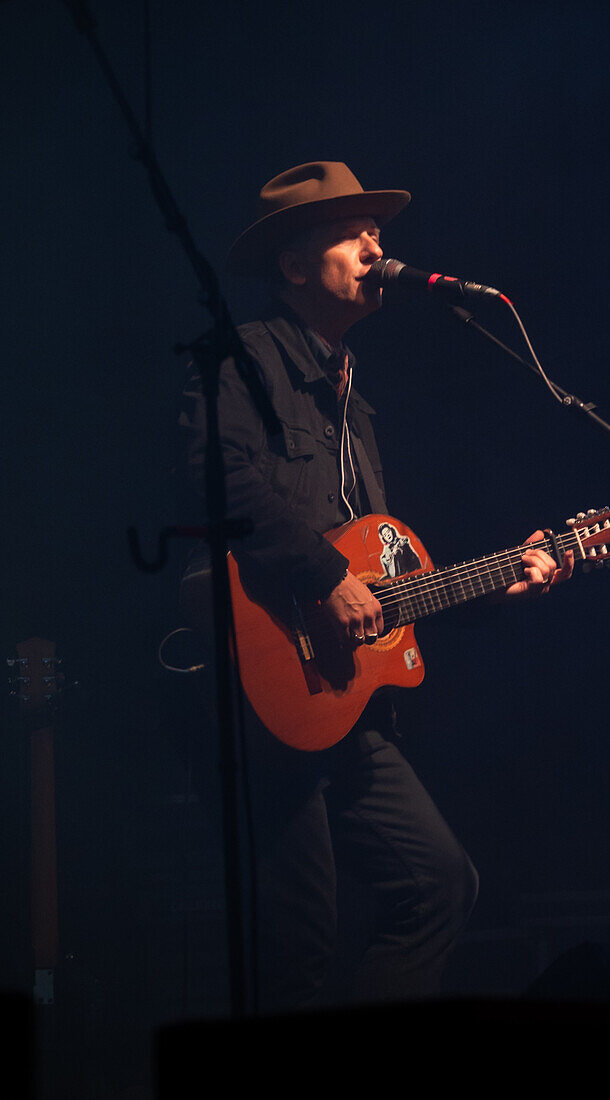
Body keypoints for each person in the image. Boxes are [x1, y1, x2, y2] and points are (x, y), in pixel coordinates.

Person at [178, 161, 573, 1014]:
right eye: (353, 234)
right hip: (261, 690)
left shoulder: (355, 397)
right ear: (292, 266)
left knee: (438, 885)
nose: (376, 247)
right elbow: (220, 478)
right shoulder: (243, 357)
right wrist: (324, 574)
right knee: (297, 942)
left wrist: (491, 586)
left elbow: (384, 592)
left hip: (342, 702)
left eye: (379, 235)